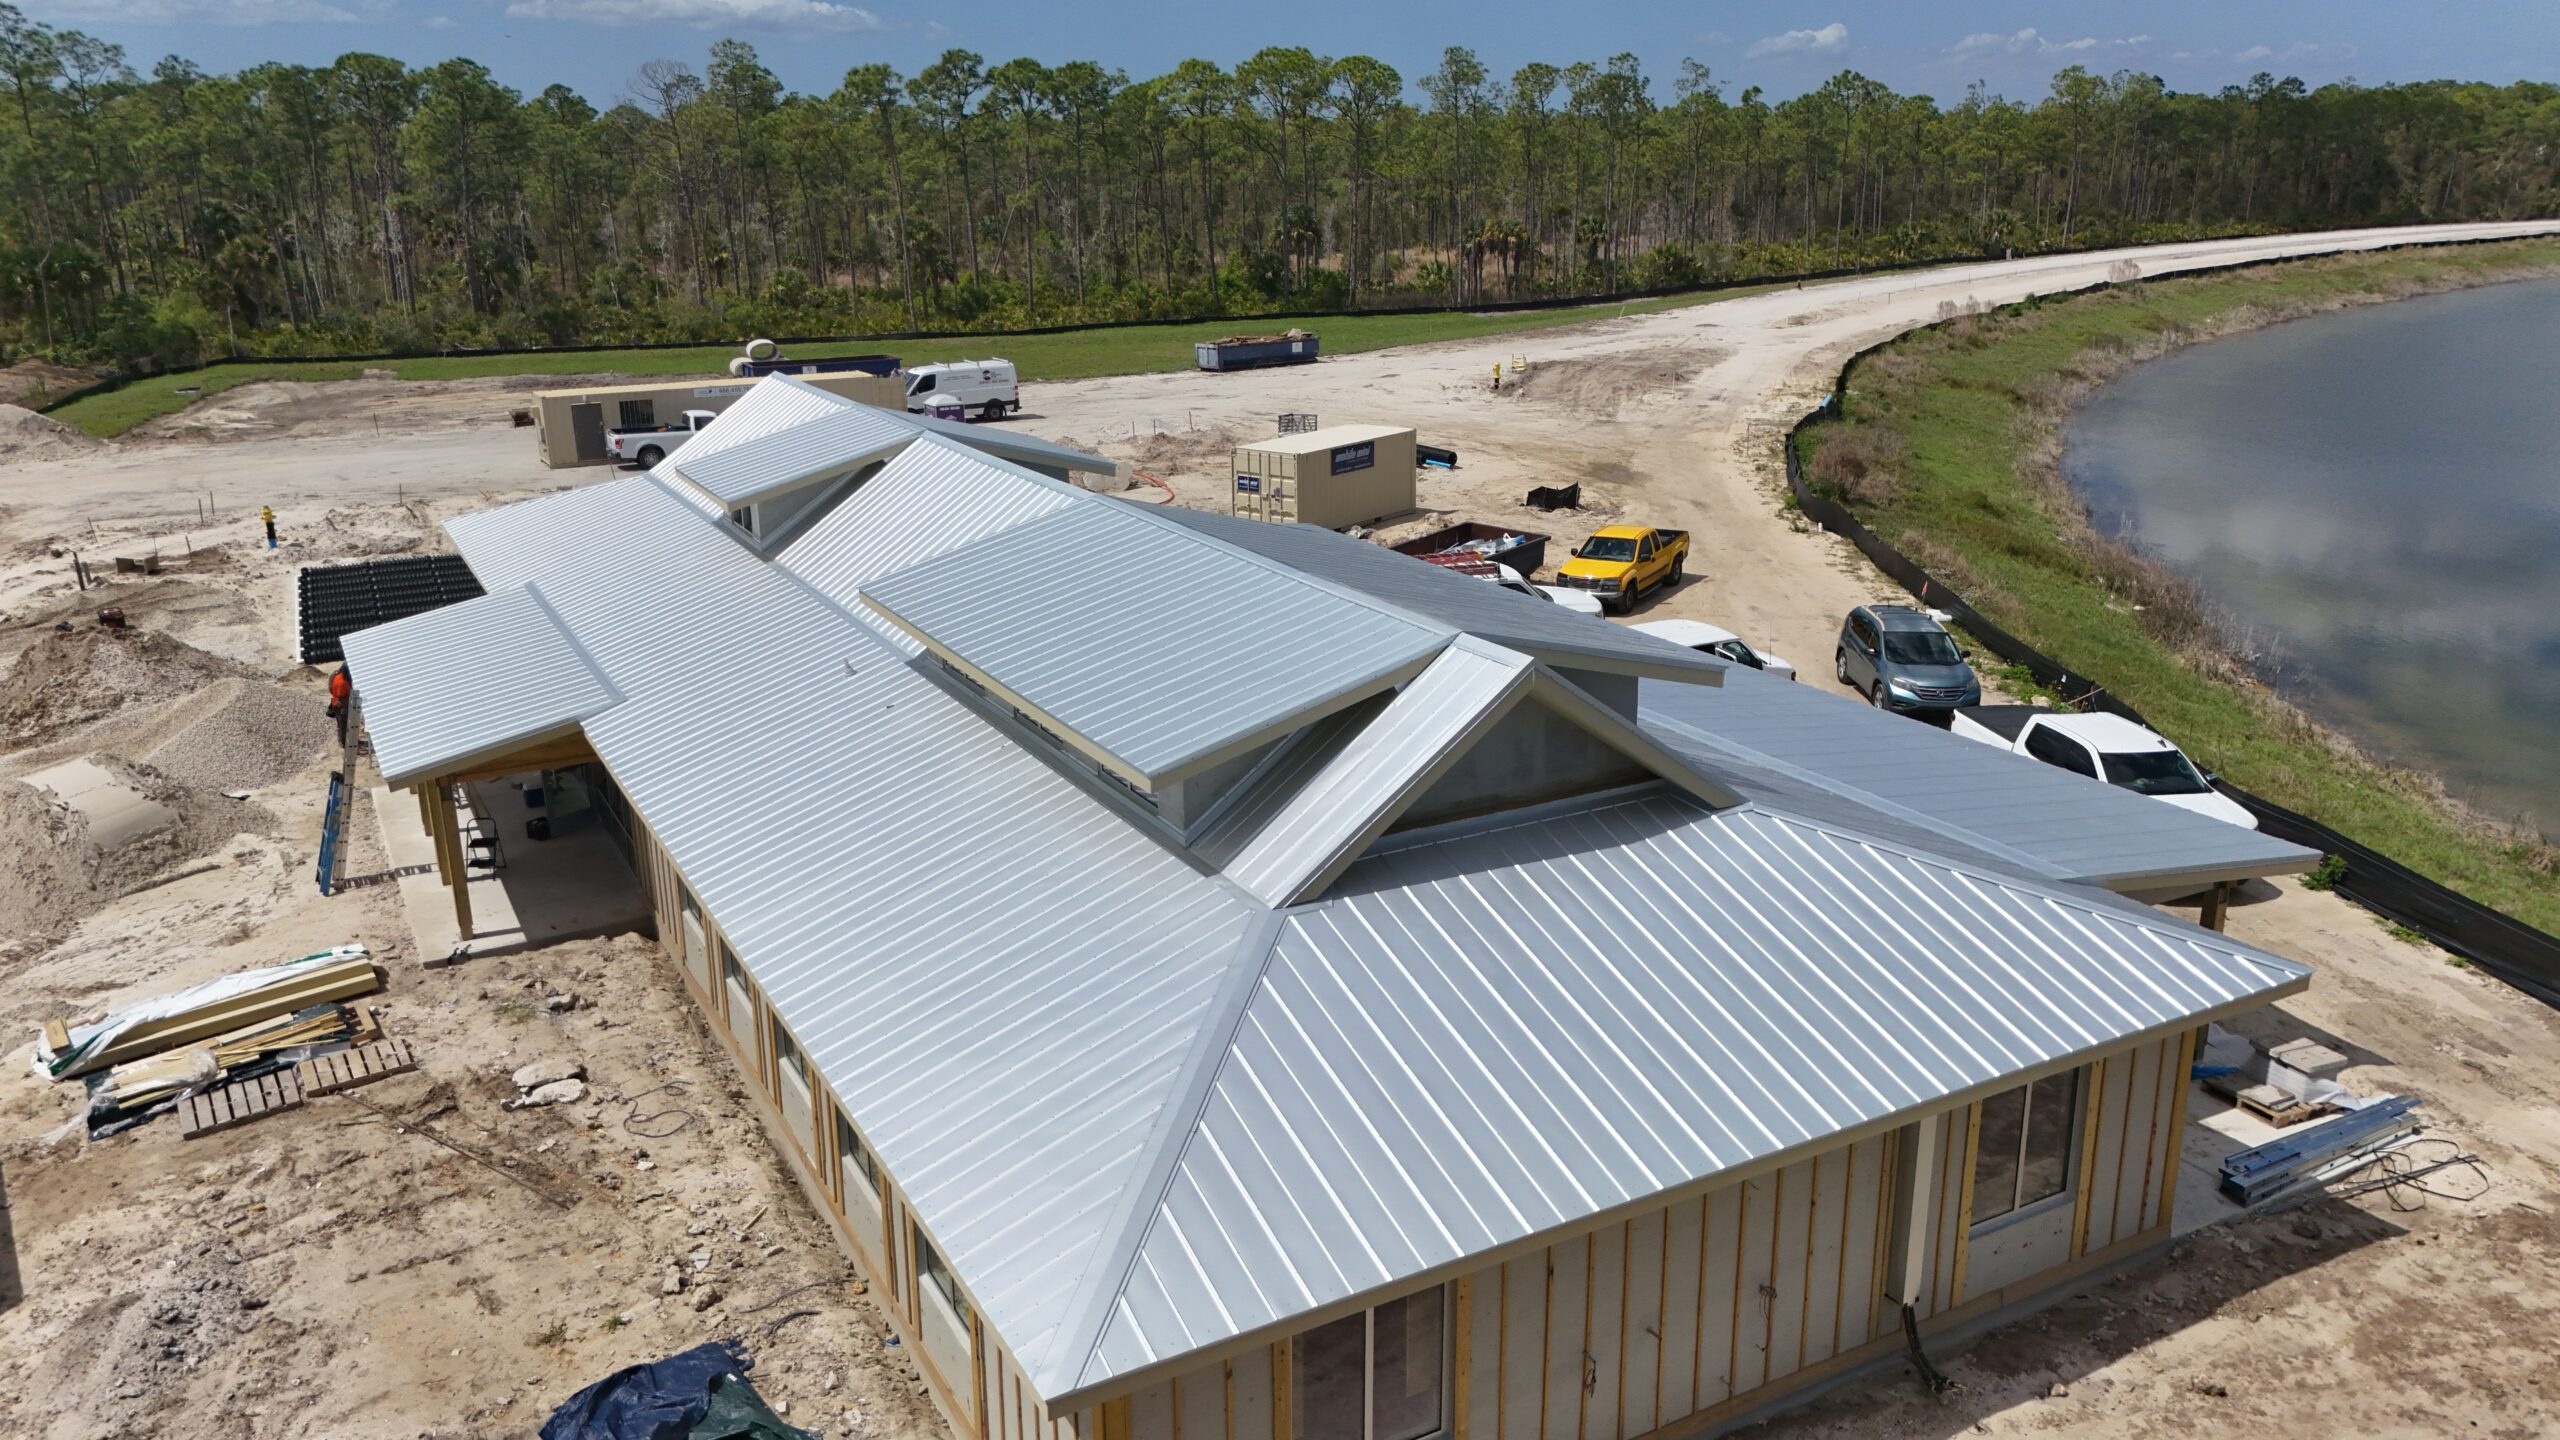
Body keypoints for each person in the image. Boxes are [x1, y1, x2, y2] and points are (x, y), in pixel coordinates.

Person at [327, 665, 351, 745]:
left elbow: (331, 688)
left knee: (341, 725)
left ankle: (341, 740)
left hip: (336, 704)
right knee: (344, 726)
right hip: (341, 707)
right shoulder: (342, 682)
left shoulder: (336, 675)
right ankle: (344, 743)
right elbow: (342, 697)